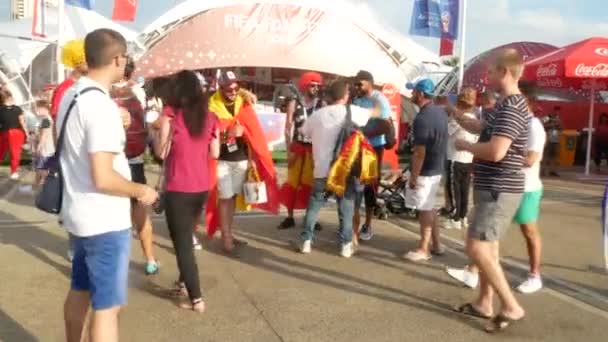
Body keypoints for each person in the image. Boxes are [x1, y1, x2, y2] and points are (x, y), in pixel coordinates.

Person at [61, 29, 158, 342]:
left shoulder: (72, 95)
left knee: (80, 290)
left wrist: (116, 118)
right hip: (104, 220)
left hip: (79, 215)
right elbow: (103, 176)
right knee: (107, 308)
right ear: (118, 59)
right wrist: (141, 191)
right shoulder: (99, 106)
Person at [450, 48, 528, 333]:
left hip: (499, 188)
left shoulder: (512, 107)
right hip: (491, 187)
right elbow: (480, 125)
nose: (488, 76)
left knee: (477, 247)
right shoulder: (504, 107)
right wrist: (454, 113)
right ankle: (485, 302)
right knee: (489, 249)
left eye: (492, 71)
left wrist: (466, 146)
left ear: (505, 73)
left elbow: (496, 151)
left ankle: (511, 307)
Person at [446, 82, 547, 295]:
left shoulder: (533, 126)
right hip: (504, 186)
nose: (504, 99)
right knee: (489, 236)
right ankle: (474, 274)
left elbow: (531, 159)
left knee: (528, 232)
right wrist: (454, 112)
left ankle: (534, 275)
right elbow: (478, 127)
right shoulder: (505, 117)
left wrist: (496, 152)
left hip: (525, 187)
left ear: (527, 100)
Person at [152, 70, 220, 312]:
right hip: (201, 187)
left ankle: (196, 299)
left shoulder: (170, 115)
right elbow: (215, 153)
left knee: (183, 246)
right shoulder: (211, 117)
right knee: (187, 238)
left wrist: (158, 132)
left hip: (177, 188)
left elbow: (160, 153)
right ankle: (183, 283)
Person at [205, 70, 279, 256]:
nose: (232, 91)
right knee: (224, 199)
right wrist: (227, 134)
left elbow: (254, 134)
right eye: (228, 88)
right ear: (220, 88)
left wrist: (253, 159)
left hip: (240, 160)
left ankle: (228, 232)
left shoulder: (243, 104)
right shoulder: (211, 107)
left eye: (235, 88)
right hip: (221, 161)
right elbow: (206, 138)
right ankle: (227, 237)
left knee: (231, 199)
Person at [298, 80, 372, 257]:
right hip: (343, 169)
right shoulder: (354, 111)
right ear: (346, 96)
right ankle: (346, 245)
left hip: (321, 169)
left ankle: (306, 241)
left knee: (315, 204)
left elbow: (303, 132)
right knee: (346, 207)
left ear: (330, 96)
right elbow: (373, 115)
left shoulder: (317, 115)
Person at [112, 58, 159, 275]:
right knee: (140, 211)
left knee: (113, 215)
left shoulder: (104, 91)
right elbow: (147, 125)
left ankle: (116, 264)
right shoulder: (138, 92)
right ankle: (150, 259)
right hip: (135, 159)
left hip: (112, 159)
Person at [403, 79, 448, 262]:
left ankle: (424, 248)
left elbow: (420, 152)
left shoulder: (423, 118)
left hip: (426, 169)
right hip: (437, 166)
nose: (411, 94)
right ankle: (436, 244)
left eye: (413, 92)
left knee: (424, 210)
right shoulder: (439, 112)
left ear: (421, 94)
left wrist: (413, 176)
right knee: (430, 207)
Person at [278, 72, 325, 231]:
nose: (315, 88)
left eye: (318, 86)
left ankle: (311, 217)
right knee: (292, 182)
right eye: (312, 85)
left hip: (314, 150)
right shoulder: (294, 102)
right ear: (305, 85)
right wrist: (288, 151)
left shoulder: (321, 104)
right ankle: (289, 217)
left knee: (311, 184)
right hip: (297, 147)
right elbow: (287, 127)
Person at [352, 70, 392, 241]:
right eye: (355, 84)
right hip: (356, 147)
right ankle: (352, 224)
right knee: (353, 185)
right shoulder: (357, 98)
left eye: (360, 84)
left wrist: (364, 132)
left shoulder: (379, 99)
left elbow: (385, 125)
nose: (357, 87)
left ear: (369, 82)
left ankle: (368, 224)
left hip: (373, 149)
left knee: (370, 185)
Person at [444, 88, 478, 230]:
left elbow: (446, 132)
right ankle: (463, 216)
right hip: (468, 159)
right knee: (464, 190)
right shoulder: (475, 119)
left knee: (454, 189)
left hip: (455, 158)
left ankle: (456, 217)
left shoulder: (458, 119)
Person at [51, 39, 88, 120]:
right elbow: (56, 115)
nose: (91, 63)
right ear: (77, 63)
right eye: (86, 60)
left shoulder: (89, 83)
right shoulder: (64, 88)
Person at [0, 89, 28, 180]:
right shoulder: (18, 109)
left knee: (1, 152)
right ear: (10, 97)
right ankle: (13, 172)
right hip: (17, 133)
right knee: (15, 153)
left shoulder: (0, 109)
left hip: (4, 132)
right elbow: (22, 122)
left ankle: (14, 172)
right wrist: (27, 133)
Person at [32, 100, 54, 188]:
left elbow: (44, 135)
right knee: (41, 167)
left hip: (46, 148)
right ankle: (37, 184)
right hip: (49, 147)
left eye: (38, 109)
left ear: (45, 109)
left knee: (42, 168)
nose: (37, 111)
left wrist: (39, 147)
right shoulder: (48, 119)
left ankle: (43, 184)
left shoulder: (46, 120)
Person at [542, 106, 562, 177]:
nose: (557, 112)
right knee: (547, 155)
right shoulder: (548, 116)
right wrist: (552, 124)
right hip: (549, 138)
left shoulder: (558, 118)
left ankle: (553, 171)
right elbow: (542, 123)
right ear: (553, 110)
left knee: (555, 156)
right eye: (556, 111)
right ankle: (544, 170)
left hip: (556, 139)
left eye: (558, 111)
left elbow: (561, 128)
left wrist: (559, 125)